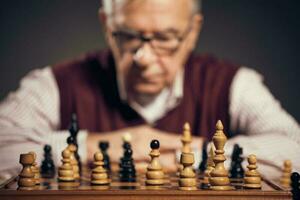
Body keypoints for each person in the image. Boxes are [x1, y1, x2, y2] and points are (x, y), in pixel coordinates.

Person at [0, 0, 299, 179]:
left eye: (166, 38)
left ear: (192, 31)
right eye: (129, 36)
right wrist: (92, 147)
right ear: (106, 25)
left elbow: (295, 150)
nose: (144, 58)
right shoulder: (54, 83)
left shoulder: (234, 83)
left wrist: (197, 156)